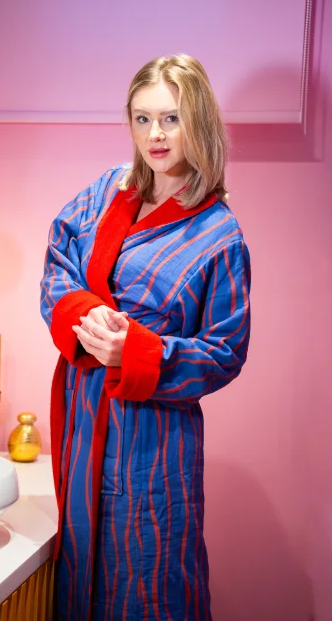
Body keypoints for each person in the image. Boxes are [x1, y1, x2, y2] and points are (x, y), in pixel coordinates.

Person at [40, 54, 251, 621]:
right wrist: (86, 316)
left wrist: (133, 351)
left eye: (170, 118)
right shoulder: (108, 189)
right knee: (82, 567)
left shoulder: (219, 235)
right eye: (142, 118)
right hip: (83, 416)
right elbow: (59, 257)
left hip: (152, 436)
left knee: (149, 573)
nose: (155, 134)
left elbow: (226, 351)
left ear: (197, 121)